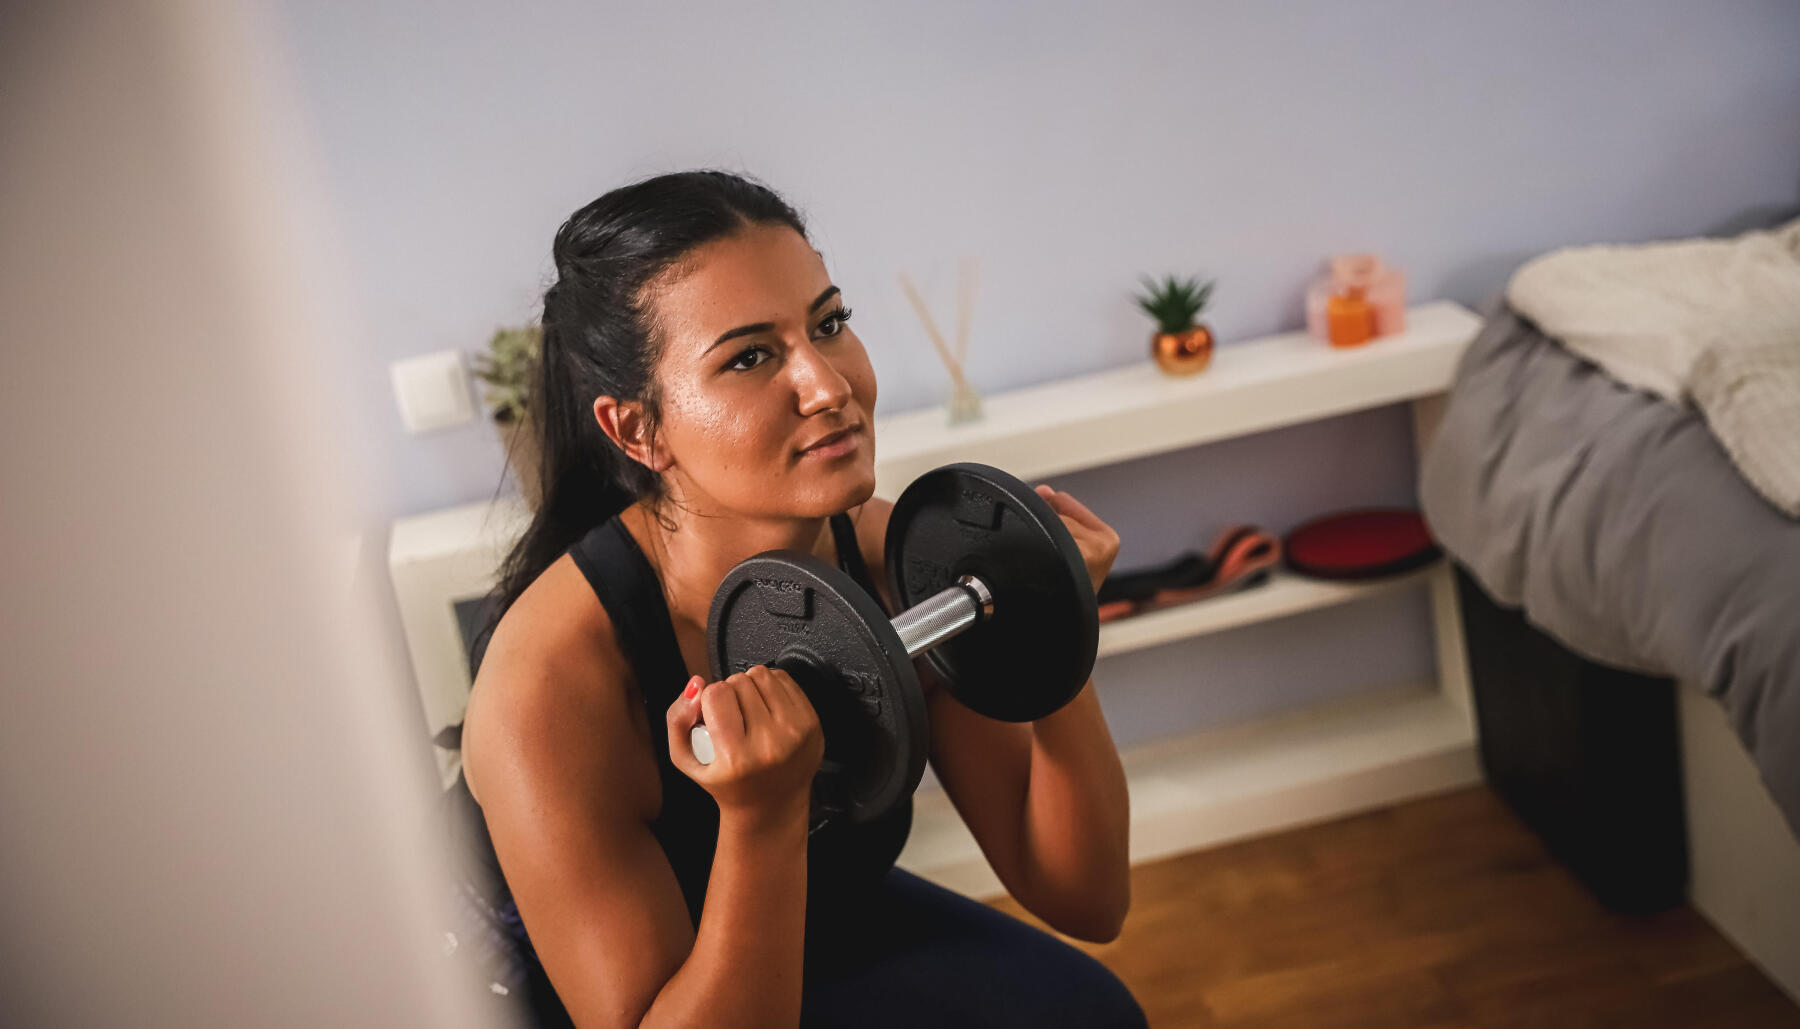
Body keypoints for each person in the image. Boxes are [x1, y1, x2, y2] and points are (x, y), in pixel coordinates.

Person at [455, 169, 1144, 1028]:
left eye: (830, 324)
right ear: (637, 428)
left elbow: (1085, 897)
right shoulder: (546, 689)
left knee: (1091, 1015)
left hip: (811, 920)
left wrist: (1054, 631)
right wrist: (759, 814)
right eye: (749, 356)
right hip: (576, 999)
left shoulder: (890, 559)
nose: (829, 384)